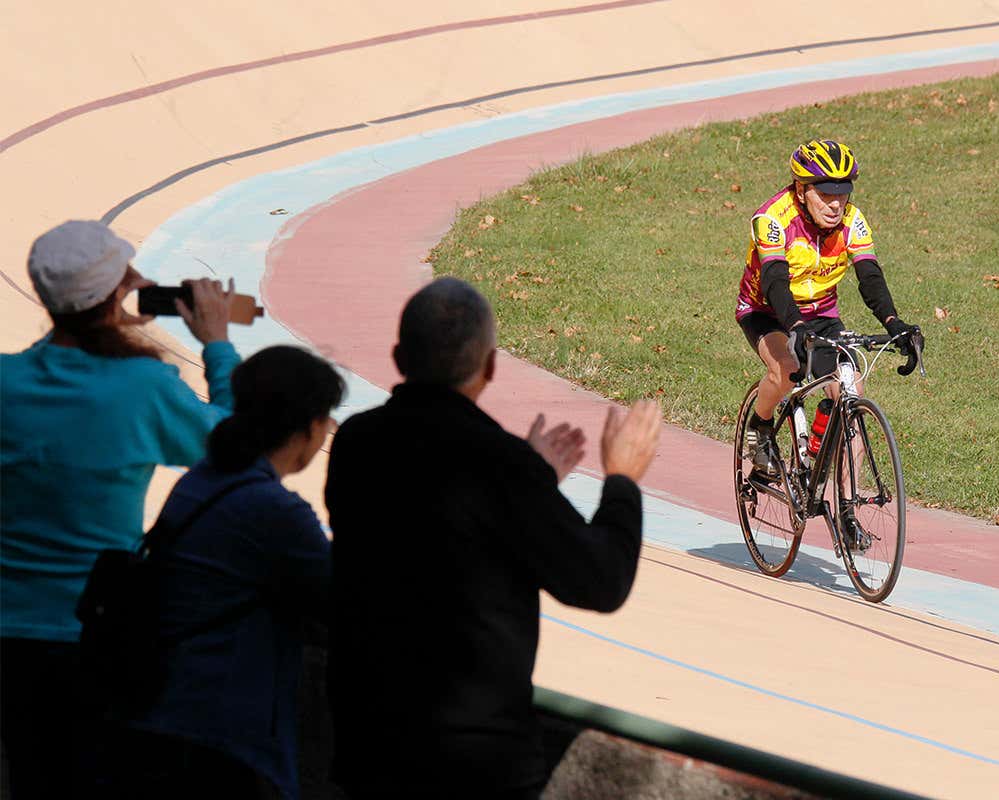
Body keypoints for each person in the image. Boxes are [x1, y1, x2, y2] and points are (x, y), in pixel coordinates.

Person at [325, 276, 662, 798]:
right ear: (490, 367)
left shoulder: (356, 443)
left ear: (398, 356)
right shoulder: (501, 467)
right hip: (478, 764)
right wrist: (621, 480)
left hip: (368, 745)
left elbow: (437, 513)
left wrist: (529, 474)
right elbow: (601, 581)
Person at [0, 219, 239, 799]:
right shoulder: (142, 387)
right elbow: (233, 451)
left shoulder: (5, 382)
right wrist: (217, 344)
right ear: (115, 296)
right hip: (98, 631)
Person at [105, 345, 345, 800]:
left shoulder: (202, 480)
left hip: (165, 718)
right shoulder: (275, 511)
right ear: (311, 428)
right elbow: (344, 604)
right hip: (221, 740)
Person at [734, 139, 918, 531]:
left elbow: (869, 274)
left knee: (852, 390)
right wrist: (795, 326)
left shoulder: (852, 219)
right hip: (768, 310)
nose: (836, 203)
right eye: (826, 193)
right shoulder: (772, 218)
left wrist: (893, 323)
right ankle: (761, 427)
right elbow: (774, 280)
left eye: (843, 192)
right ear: (802, 190)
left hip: (820, 315)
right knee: (786, 368)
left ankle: (847, 509)